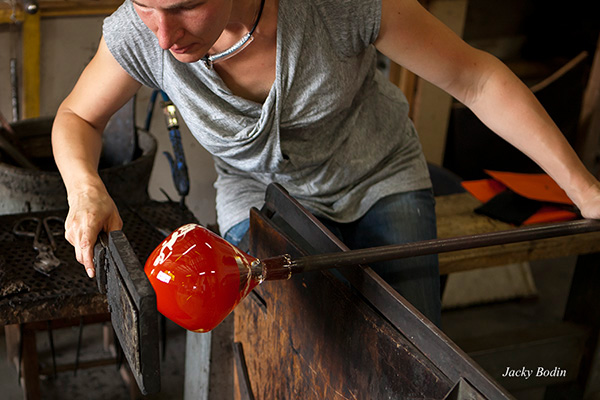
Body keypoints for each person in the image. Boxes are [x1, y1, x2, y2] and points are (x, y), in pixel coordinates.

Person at [52, 0, 600, 326]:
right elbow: (77, 116)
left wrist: (582, 188)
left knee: (415, 345)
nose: (163, 36)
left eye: (183, 5)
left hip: (379, 173)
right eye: (146, 5)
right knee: (306, 342)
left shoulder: (335, 6)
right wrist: (84, 186)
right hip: (261, 194)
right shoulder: (139, 32)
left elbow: (476, 79)